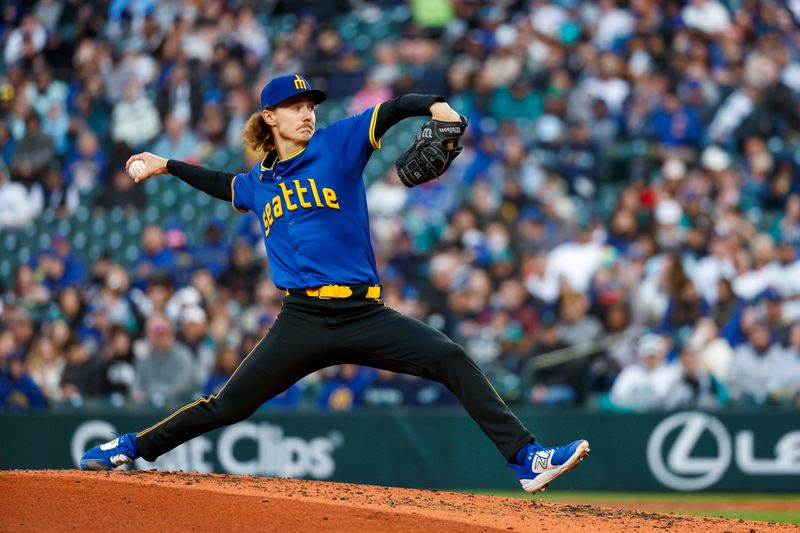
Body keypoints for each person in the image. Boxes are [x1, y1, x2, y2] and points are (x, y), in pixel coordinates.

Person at [80, 74, 589, 494]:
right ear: (269, 118)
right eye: (294, 105)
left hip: (364, 314)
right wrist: (166, 165)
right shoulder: (258, 183)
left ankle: (527, 457)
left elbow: (390, 110)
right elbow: (222, 183)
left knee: (449, 357)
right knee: (228, 405)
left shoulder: (339, 143)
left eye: (310, 104)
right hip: (300, 319)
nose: (307, 112)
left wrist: (437, 107)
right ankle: (129, 446)